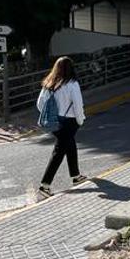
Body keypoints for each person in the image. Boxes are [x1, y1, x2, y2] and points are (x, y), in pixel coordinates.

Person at [35, 57, 87, 199]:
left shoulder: (49, 83)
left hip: (53, 122)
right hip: (69, 122)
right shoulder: (72, 84)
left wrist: (51, 115)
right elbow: (77, 105)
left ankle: (76, 176)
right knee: (59, 151)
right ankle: (44, 186)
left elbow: (40, 104)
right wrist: (81, 120)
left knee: (69, 144)